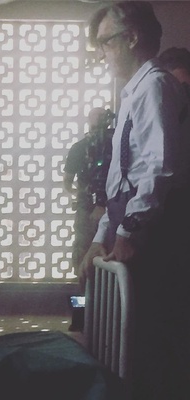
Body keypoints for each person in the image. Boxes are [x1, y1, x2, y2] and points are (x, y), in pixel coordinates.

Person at [81, 2, 190, 399]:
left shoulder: (155, 86)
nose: (103, 53)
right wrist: (102, 235)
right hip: (132, 224)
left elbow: (160, 168)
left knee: (152, 337)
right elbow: (122, 179)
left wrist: (129, 229)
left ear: (131, 38)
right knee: (131, 335)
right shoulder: (133, 93)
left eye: (106, 42)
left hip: (154, 233)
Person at [63, 107, 114, 291]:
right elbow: (67, 181)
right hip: (102, 208)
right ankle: (87, 300)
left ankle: (89, 303)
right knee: (89, 254)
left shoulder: (81, 147)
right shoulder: (113, 144)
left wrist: (81, 194)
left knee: (90, 255)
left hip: (101, 209)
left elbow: (67, 182)